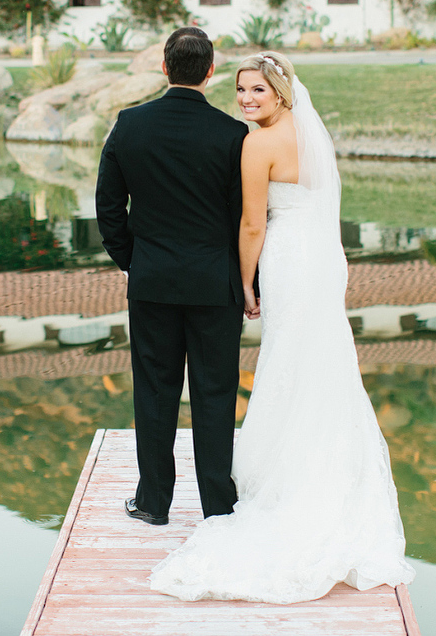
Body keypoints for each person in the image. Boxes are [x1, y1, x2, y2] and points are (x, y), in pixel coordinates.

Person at [148, 51, 415, 604]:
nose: (246, 99)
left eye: (257, 92)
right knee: (322, 357)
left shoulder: (258, 144)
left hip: (288, 257)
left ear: (282, 93)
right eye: (241, 90)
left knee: (290, 357)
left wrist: (245, 284)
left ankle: (286, 479)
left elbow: (251, 223)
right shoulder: (314, 136)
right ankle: (329, 472)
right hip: (323, 257)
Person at [95, 27, 250, 527]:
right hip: (215, 284)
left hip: (153, 280)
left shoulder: (129, 124)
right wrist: (247, 280)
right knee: (215, 391)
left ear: (164, 68)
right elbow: (244, 217)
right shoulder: (233, 135)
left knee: (155, 390)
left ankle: (153, 502)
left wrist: (131, 260)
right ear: (210, 72)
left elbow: (108, 205)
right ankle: (218, 506)